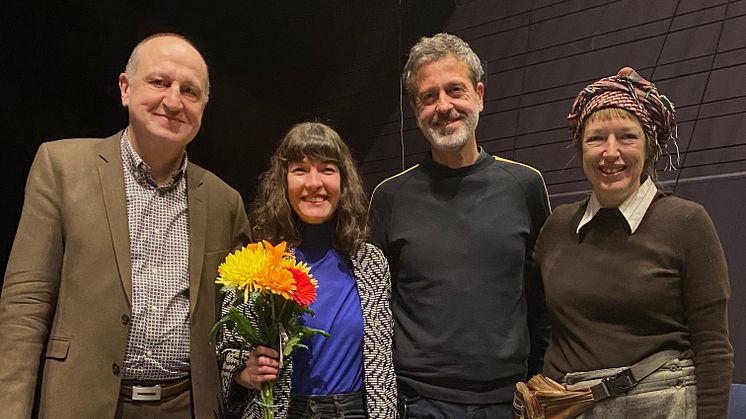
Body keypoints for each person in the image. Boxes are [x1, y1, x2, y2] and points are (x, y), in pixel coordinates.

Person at [0, 33, 251, 419]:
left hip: (188, 406)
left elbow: (239, 318)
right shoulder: (62, 166)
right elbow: (26, 304)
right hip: (82, 403)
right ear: (125, 88)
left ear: (203, 106)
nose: (172, 101)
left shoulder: (225, 201)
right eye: (159, 82)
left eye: (190, 91)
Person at [368, 33, 551, 418]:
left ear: (479, 95)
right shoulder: (389, 197)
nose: (443, 106)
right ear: (416, 109)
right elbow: (376, 312)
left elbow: (541, 301)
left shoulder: (525, 186)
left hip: (509, 402)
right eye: (428, 96)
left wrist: (538, 383)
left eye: (455, 90)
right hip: (418, 404)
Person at [534, 67, 733, 418]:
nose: (611, 153)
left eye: (627, 137)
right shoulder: (558, 226)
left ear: (650, 146)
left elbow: (713, 347)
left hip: (659, 405)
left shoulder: (686, 222)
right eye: (596, 138)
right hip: (570, 407)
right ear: (581, 147)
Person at [219, 122, 397, 418]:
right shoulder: (259, 261)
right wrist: (244, 371)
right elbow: (227, 349)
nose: (314, 183)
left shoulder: (371, 263)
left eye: (327, 169)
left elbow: (383, 364)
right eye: (300, 170)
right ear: (283, 183)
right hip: (283, 410)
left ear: (343, 182)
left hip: (355, 411)